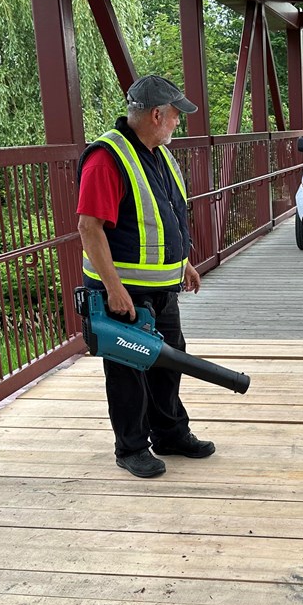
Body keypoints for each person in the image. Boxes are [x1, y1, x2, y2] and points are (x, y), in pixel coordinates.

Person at [76, 75, 214, 479]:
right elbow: (89, 227)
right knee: (128, 371)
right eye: (175, 116)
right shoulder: (108, 157)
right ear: (157, 114)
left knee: (168, 364)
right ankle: (132, 448)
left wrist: (182, 262)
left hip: (161, 289)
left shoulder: (157, 153)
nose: (178, 123)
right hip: (124, 293)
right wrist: (114, 288)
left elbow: (161, 215)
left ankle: (171, 434)